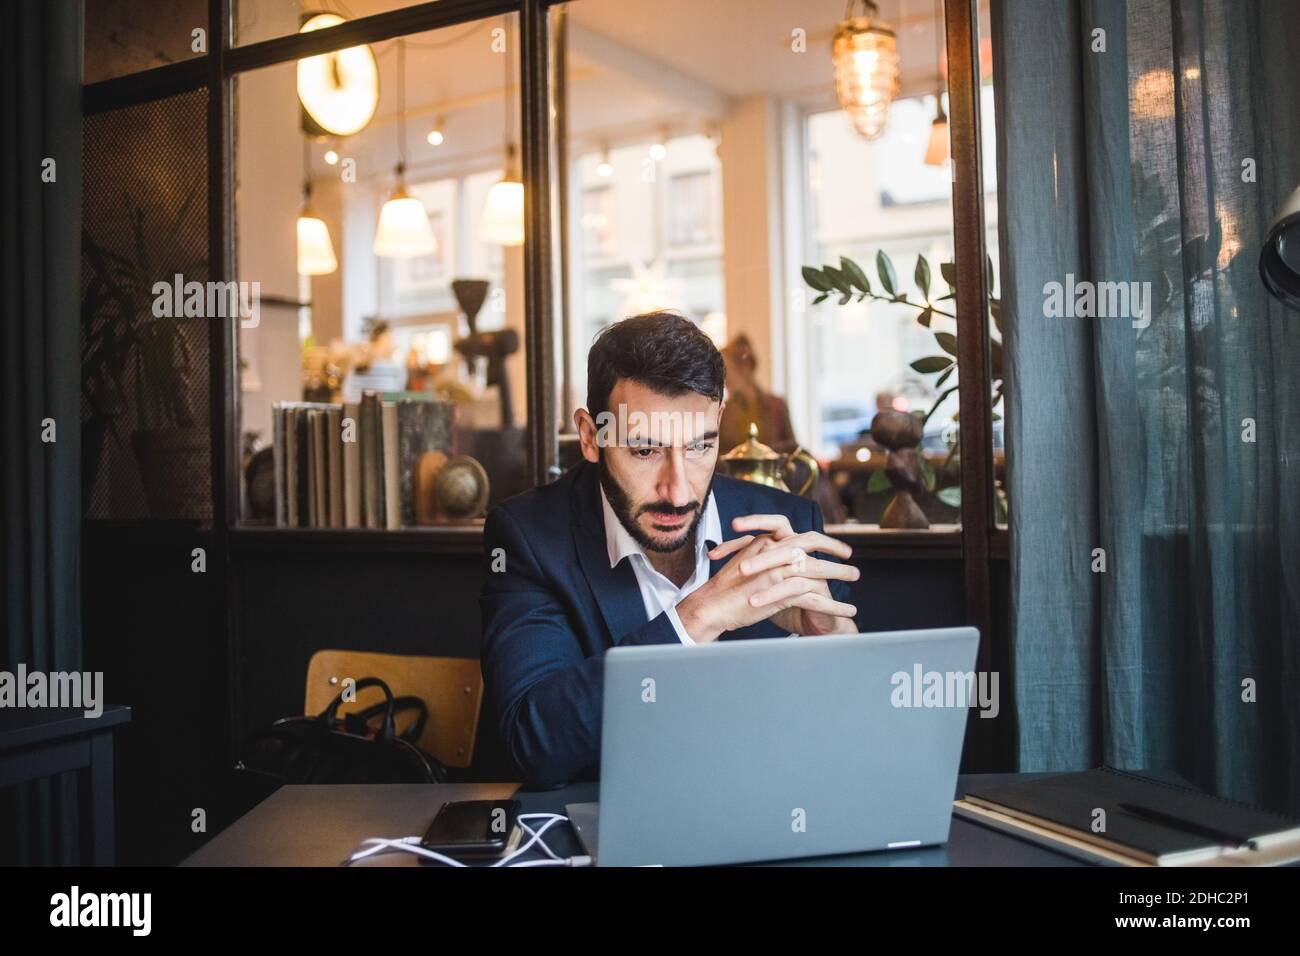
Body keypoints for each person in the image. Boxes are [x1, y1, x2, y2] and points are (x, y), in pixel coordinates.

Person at [479, 311, 860, 789]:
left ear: (720, 419)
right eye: (645, 451)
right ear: (591, 437)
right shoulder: (530, 537)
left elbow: (847, 749)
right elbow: (534, 745)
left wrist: (842, 646)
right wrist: (698, 617)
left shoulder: (790, 524)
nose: (678, 492)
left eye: (700, 447)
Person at [718, 333, 797, 454]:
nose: (724, 378)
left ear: (745, 368)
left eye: (727, 370)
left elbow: (793, 450)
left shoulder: (776, 406)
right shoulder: (725, 411)